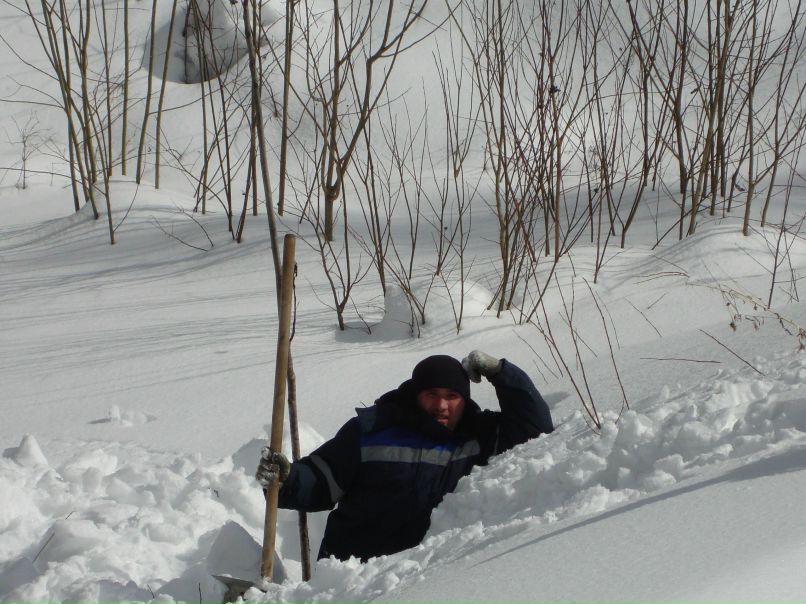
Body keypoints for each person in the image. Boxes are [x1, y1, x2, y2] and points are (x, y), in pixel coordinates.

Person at [255, 350, 554, 562]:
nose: (442, 406)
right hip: (351, 578)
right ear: (415, 394)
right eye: (432, 394)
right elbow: (322, 479)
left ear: (464, 401)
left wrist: (500, 371)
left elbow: (535, 428)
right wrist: (286, 479)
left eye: (452, 396)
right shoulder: (373, 430)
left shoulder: (477, 436)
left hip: (421, 580)